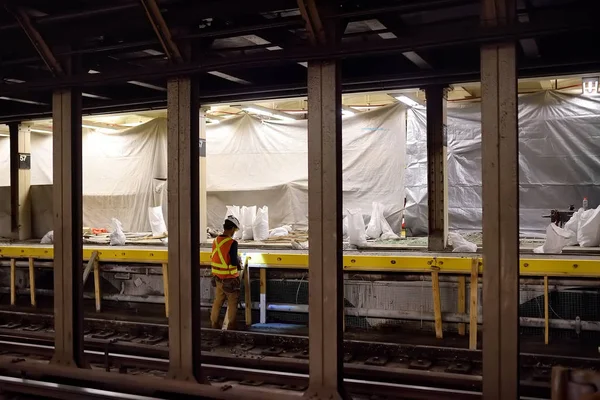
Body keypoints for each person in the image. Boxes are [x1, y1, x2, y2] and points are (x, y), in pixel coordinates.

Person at [210, 215, 242, 330]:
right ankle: (231, 327)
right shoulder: (232, 243)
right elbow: (233, 262)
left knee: (218, 302)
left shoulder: (216, 240)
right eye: (235, 230)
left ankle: (214, 325)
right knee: (232, 303)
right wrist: (239, 261)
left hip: (218, 278)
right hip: (230, 279)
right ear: (232, 229)